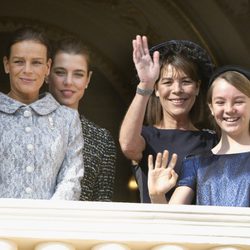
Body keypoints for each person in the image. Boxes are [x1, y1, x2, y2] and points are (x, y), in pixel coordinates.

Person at [119, 35, 218, 203]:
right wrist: (145, 84)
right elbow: (128, 146)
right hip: (154, 227)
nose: (177, 90)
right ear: (156, 89)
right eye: (167, 82)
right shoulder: (146, 137)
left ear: (197, 88)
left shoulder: (212, 140)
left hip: (198, 228)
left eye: (186, 81)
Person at [0, 27, 84, 200]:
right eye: (19, 62)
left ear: (48, 67)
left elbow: (71, 179)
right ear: (7, 65)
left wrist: (47, 221)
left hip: (49, 224)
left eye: (36, 62)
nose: (28, 70)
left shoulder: (67, 120)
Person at [148, 65, 250, 207]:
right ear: (211, 108)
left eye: (238, 101)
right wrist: (157, 196)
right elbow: (170, 222)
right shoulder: (195, 163)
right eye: (220, 102)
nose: (229, 110)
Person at [48, 37, 116, 201]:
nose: (68, 82)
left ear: (88, 79)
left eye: (78, 74)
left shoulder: (102, 140)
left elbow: (102, 203)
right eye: (60, 72)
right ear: (47, 72)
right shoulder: (26, 123)